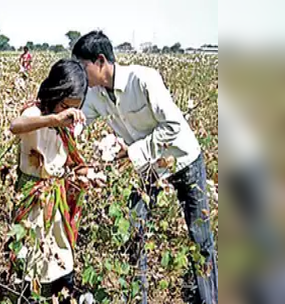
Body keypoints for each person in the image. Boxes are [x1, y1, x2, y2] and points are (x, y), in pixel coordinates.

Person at [72, 31, 218, 304]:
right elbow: (80, 122)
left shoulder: (143, 79)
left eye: (83, 68)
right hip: (147, 168)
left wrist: (132, 151)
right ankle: (138, 299)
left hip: (182, 159)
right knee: (134, 230)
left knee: (200, 238)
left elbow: (173, 127)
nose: (81, 76)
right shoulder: (94, 95)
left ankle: (208, 300)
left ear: (100, 61)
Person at [9, 59, 88, 302]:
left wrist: (85, 176)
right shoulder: (34, 114)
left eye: (75, 107)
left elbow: (70, 161)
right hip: (30, 196)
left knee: (59, 256)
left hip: (55, 196)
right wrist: (53, 120)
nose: (69, 113)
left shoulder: (72, 123)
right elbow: (15, 126)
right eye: (64, 105)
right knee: (30, 255)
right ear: (54, 93)